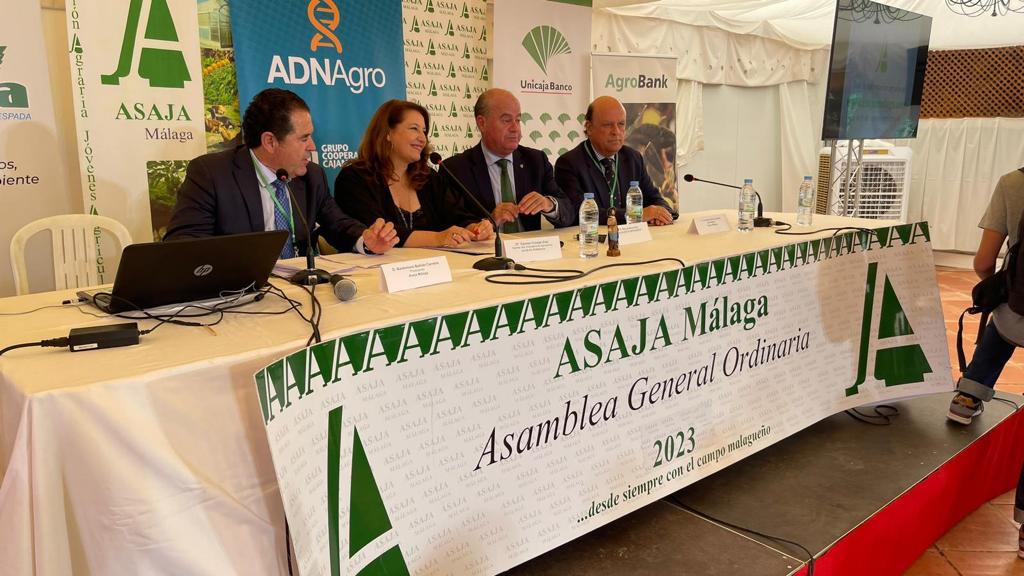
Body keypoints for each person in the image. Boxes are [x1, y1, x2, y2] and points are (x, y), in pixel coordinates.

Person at [165, 88, 398, 256]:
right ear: (270, 142)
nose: (312, 147)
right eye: (304, 138)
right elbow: (184, 244)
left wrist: (366, 240)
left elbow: (338, 224)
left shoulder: (312, 176)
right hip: (242, 298)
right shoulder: (212, 174)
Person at [945, 167, 1024, 556]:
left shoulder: (1014, 182)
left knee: (1002, 322)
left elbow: (983, 260)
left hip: (1017, 311)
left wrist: (996, 286)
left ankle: (968, 395)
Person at [334, 100, 493, 248]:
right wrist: (439, 238)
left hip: (430, 270)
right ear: (387, 133)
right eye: (414, 129)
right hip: (379, 272)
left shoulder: (428, 177)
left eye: (424, 131)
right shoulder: (354, 178)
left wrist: (475, 228)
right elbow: (376, 232)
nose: (422, 138)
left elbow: (457, 215)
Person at [441, 88, 574, 232]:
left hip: (530, 250)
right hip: (485, 252)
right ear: (482, 123)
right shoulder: (455, 169)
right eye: (506, 120)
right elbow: (449, 224)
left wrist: (548, 204)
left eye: (518, 120)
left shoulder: (536, 161)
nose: (515, 128)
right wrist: (490, 221)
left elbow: (569, 212)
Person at [555, 96, 676, 226]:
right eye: (608, 125)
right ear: (589, 128)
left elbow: (655, 199)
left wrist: (661, 213)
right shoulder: (569, 164)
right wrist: (636, 216)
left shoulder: (633, 158)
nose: (616, 132)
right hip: (591, 241)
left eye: (621, 124)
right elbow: (578, 213)